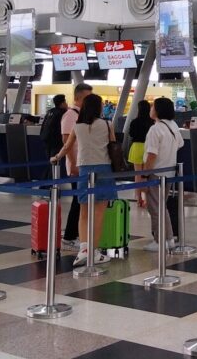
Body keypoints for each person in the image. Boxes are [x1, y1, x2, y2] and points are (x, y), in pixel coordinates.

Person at [52, 93, 114, 266]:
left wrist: (56, 157)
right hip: (103, 169)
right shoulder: (107, 124)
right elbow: (113, 146)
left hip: (84, 169)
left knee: (84, 212)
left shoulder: (78, 126)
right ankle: (94, 251)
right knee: (99, 213)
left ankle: (84, 250)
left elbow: (67, 146)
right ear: (99, 107)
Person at [141, 97, 184, 251]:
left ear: (158, 110)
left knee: (155, 208)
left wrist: (145, 175)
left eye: (153, 106)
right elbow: (180, 144)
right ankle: (169, 239)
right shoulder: (173, 125)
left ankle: (160, 241)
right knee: (161, 207)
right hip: (169, 172)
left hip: (156, 173)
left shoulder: (155, 129)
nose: (151, 109)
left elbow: (152, 155)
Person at [61, 84, 90, 247]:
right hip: (77, 165)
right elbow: (67, 141)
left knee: (82, 201)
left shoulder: (83, 115)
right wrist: (72, 163)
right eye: (87, 98)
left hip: (84, 164)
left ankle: (77, 233)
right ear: (78, 98)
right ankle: (70, 235)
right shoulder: (70, 115)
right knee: (78, 201)